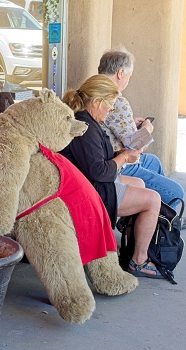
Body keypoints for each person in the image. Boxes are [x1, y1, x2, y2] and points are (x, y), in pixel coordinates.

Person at [60, 74, 164, 279]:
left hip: (88, 183)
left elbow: (98, 162)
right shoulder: (85, 127)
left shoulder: (86, 119)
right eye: (111, 104)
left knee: (140, 183)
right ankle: (139, 260)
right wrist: (125, 156)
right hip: (90, 191)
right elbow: (98, 172)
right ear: (97, 102)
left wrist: (123, 155)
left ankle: (129, 246)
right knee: (153, 199)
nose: (111, 110)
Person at [97, 47, 186, 229]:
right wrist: (147, 128)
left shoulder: (93, 91)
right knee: (176, 193)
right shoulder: (117, 100)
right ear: (121, 73)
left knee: (153, 162)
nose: (128, 81)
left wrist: (129, 122)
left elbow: (109, 125)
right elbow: (135, 148)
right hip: (117, 163)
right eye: (129, 76)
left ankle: (154, 215)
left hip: (105, 156)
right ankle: (155, 219)